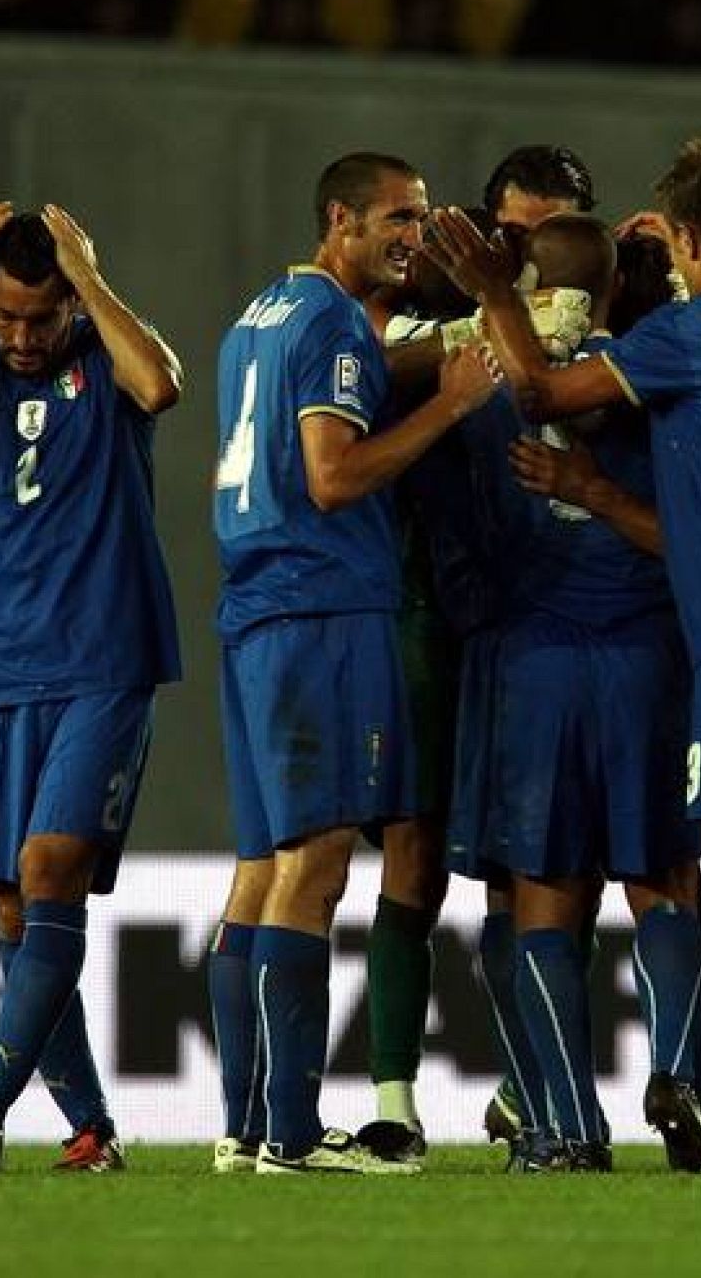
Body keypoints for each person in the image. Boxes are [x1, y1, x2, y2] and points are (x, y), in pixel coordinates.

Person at [427, 136, 701, 1173]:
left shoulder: (526, 373)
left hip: (563, 656)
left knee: (551, 896)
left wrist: (495, 295)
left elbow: (522, 416)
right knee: (700, 887)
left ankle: (572, 1129)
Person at [207, 151, 495, 1176]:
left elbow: (334, 398)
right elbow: (333, 477)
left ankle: (244, 1131)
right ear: (341, 219)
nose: (414, 236)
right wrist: (454, 402)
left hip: (254, 604)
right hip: (323, 602)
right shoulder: (333, 323)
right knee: (319, 869)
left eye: (419, 221)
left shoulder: (264, 316)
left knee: (264, 871)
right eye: (398, 219)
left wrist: (453, 344)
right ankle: (290, 1133)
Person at [0, 204, 183, 1172]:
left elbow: (161, 385)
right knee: (16, 909)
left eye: (38, 320)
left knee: (51, 866)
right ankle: (90, 1130)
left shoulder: (105, 353)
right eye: (5, 317)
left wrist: (88, 281)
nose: (20, 337)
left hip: (103, 659)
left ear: (67, 304)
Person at [357, 146, 597, 1164]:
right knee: (413, 857)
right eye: (508, 232)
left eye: (546, 234)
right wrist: (489, 318)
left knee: (541, 871)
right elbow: (369, 364)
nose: (523, 252)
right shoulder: (427, 301)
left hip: (554, 625)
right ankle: (393, 1104)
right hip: (434, 618)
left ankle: (531, 1089)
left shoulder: (609, 317)